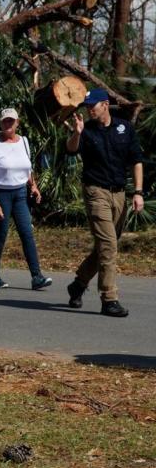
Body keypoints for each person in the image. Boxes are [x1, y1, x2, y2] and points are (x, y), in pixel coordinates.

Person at [64, 89, 145, 317]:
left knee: (105, 247)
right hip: (95, 192)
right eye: (87, 106)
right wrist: (77, 133)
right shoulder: (86, 131)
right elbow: (70, 150)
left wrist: (138, 192)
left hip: (119, 194)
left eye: (93, 105)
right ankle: (109, 298)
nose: (89, 109)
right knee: (109, 245)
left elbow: (136, 160)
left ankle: (78, 284)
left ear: (105, 105)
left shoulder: (124, 128)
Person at [0, 108, 52, 291]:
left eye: (11, 121)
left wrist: (33, 186)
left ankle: (37, 276)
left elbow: (27, 167)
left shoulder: (24, 142)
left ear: (17, 123)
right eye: (5, 121)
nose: (8, 125)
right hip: (2, 194)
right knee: (1, 234)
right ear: (1, 123)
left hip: (20, 194)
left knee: (26, 233)